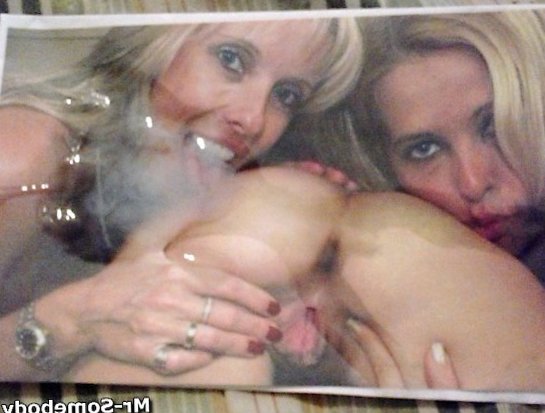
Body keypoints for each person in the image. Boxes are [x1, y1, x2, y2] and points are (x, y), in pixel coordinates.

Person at [0, 16, 364, 381]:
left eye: (286, 95)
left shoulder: (193, 182)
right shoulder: (23, 160)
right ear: (157, 44)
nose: (253, 119)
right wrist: (68, 320)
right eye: (231, 60)